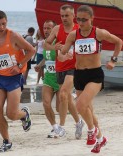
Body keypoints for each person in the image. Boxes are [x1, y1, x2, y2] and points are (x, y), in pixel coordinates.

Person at [59, 5, 123, 153]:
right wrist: (63, 53)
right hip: (79, 75)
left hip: (95, 75)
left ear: (92, 19)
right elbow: (62, 54)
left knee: (80, 105)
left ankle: (91, 131)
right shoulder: (73, 35)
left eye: (84, 20)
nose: (81, 23)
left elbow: (118, 42)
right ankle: (101, 139)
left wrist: (113, 60)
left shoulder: (98, 33)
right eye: (79, 19)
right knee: (88, 110)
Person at [0, 10, 35, 152]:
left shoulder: (14, 36)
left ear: (7, 22)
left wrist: (19, 65)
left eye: (4, 24)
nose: (2, 27)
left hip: (13, 78)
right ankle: (6, 141)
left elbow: (31, 51)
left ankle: (24, 114)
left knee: (11, 114)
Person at [44, 4, 84, 139]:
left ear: (74, 16)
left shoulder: (79, 29)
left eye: (67, 15)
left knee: (63, 94)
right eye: (62, 16)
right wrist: (53, 46)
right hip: (60, 67)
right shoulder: (57, 29)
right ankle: (79, 122)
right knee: (66, 98)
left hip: (75, 68)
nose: (64, 18)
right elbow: (46, 44)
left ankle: (60, 126)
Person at [35, 20, 61, 138]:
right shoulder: (45, 43)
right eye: (44, 28)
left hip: (61, 78)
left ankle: (64, 125)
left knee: (59, 108)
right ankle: (55, 128)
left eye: (48, 28)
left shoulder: (59, 42)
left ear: (54, 29)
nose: (45, 31)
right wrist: (39, 65)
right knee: (46, 103)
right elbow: (46, 58)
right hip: (49, 78)